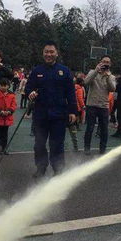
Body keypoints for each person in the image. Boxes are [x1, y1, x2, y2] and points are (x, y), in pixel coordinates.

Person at [26, 41, 77, 177]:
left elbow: (71, 93)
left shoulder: (65, 71)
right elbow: (28, 87)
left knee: (57, 144)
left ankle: (58, 169)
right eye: (46, 52)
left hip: (59, 115)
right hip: (41, 115)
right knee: (39, 144)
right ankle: (41, 168)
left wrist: (73, 111)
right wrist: (30, 93)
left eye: (51, 52)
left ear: (56, 53)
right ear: (43, 53)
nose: (48, 54)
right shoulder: (37, 71)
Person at [83, 55, 117, 155]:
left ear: (110, 64)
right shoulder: (92, 72)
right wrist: (95, 71)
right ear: (100, 62)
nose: (105, 64)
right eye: (104, 61)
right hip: (91, 105)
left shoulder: (111, 76)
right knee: (90, 128)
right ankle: (87, 148)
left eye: (107, 62)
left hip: (103, 106)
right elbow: (86, 82)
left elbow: (112, 89)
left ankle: (102, 149)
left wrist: (107, 77)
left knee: (104, 129)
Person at [0, 78, 17, 155]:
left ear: (8, 86)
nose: (3, 87)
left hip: (7, 118)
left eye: (5, 85)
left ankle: (4, 147)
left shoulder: (12, 95)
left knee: (5, 134)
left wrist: (9, 111)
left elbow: (14, 105)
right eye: (1, 85)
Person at [68, 77, 86, 151]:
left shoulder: (72, 89)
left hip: (65, 112)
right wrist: (82, 106)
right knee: (73, 130)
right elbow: (80, 98)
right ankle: (75, 146)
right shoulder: (79, 89)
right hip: (73, 110)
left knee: (61, 131)